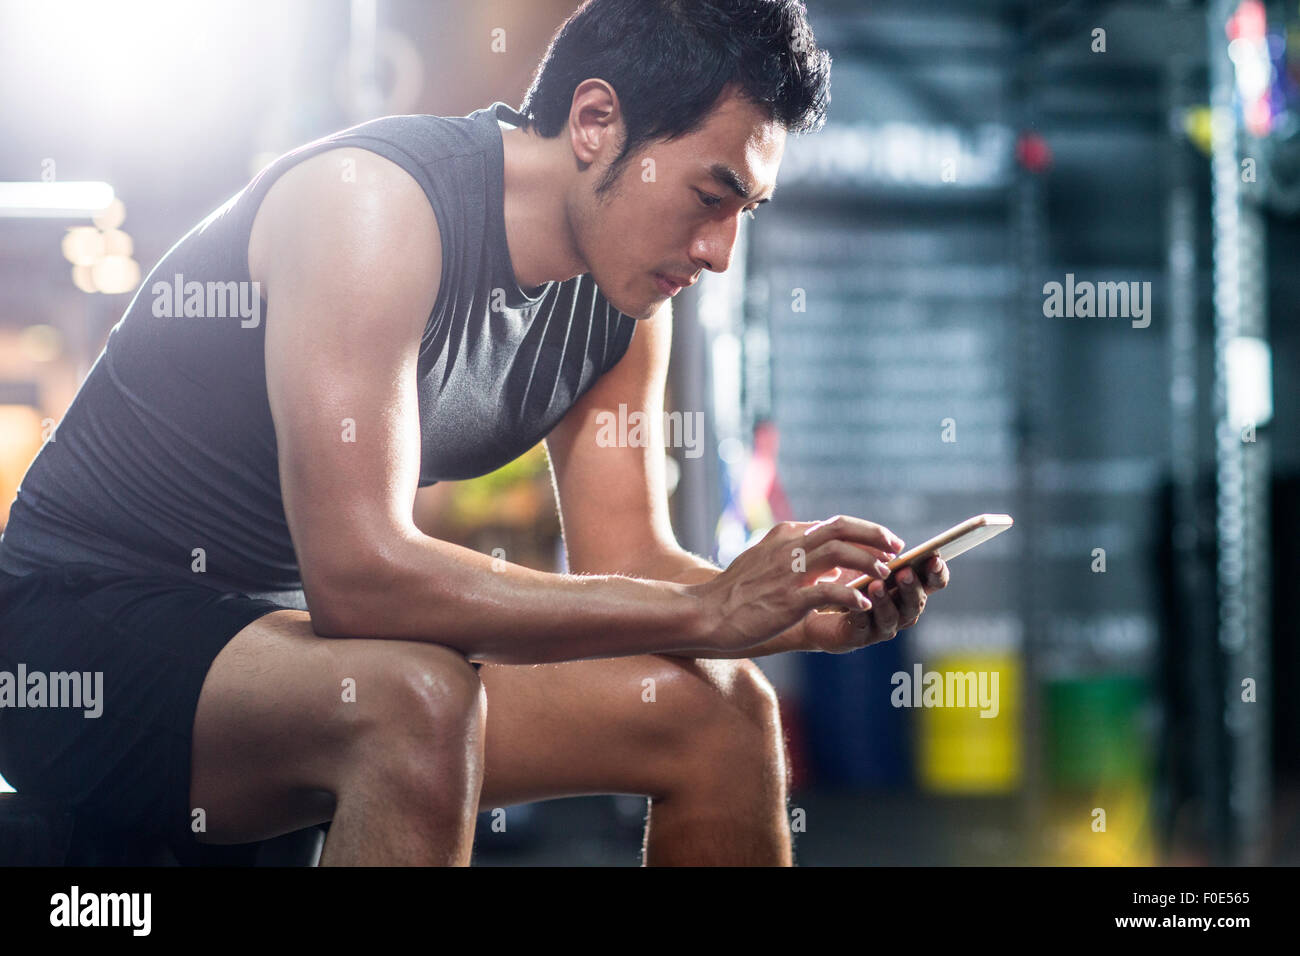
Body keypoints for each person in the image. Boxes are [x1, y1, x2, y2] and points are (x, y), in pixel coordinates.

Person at [0, 0, 947, 866]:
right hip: (74, 634)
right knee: (416, 700)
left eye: (747, 212)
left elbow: (632, 560)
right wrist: (712, 614)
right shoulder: (373, 206)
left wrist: (789, 610)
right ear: (595, 123)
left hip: (285, 646)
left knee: (725, 710)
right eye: (711, 196)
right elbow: (361, 579)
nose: (720, 251)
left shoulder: (623, 303)